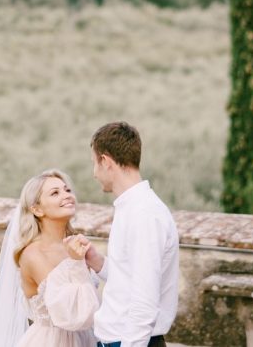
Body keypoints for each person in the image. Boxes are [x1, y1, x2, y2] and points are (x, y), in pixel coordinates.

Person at [83, 122, 179, 347]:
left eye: (94, 164)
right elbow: (130, 279)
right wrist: (99, 263)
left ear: (106, 162)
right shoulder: (131, 208)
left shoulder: (144, 214)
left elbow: (144, 302)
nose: (93, 174)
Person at [0, 169, 99, 347]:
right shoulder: (33, 254)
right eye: (55, 193)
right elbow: (71, 314)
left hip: (86, 339)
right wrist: (76, 263)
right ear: (37, 209)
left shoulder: (74, 245)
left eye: (67, 190)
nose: (66, 195)